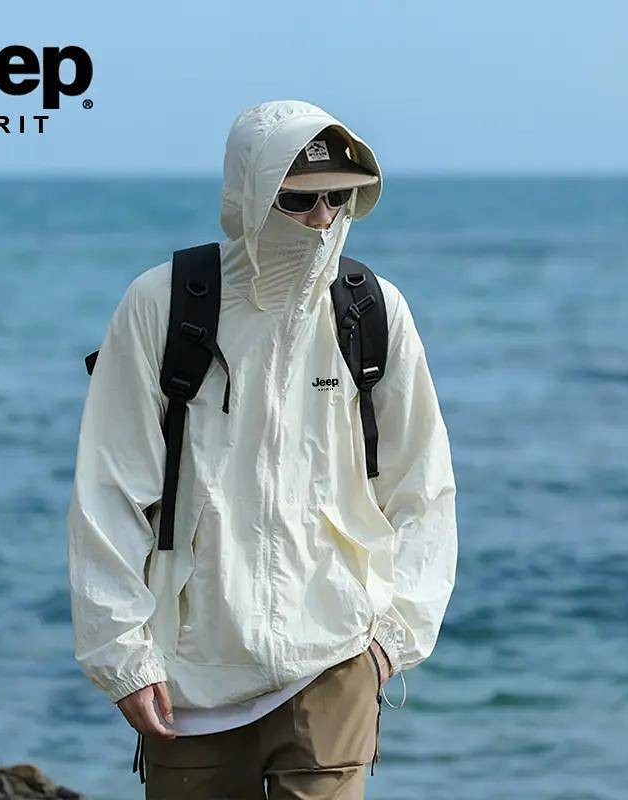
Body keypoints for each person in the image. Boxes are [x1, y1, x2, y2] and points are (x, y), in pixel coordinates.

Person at [66, 99, 458, 799]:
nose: (322, 220)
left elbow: (422, 488)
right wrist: (121, 657)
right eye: (299, 200)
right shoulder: (162, 305)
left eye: (339, 198)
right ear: (249, 193)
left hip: (336, 663)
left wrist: (391, 641)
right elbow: (108, 491)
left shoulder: (372, 310)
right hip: (189, 678)